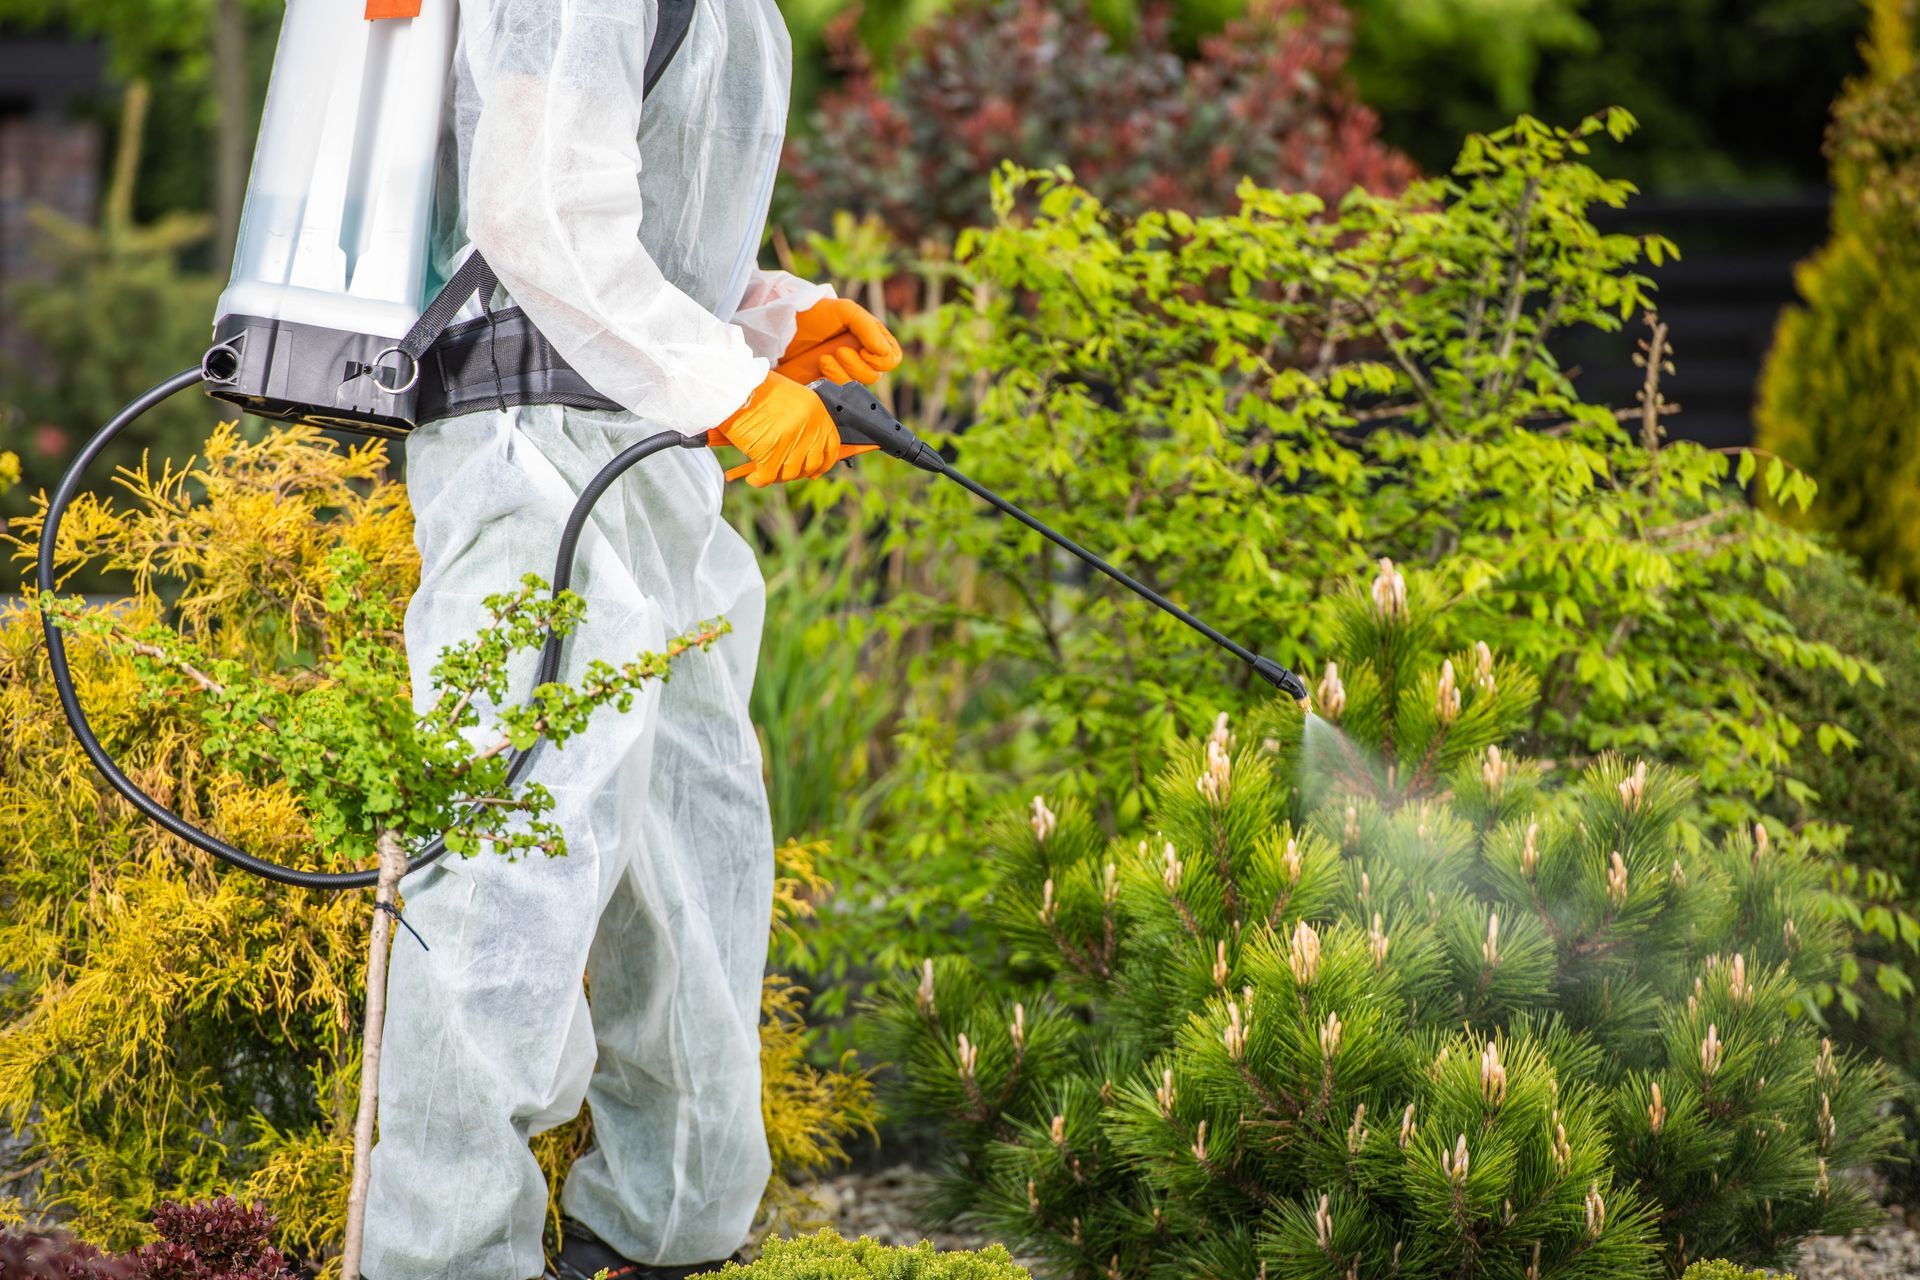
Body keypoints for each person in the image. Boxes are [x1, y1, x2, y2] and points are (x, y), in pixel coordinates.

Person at [359, 2, 900, 1277]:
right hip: (525, 456)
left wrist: (764, 318)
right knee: (518, 854)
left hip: (645, 458)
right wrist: (726, 385)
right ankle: (444, 1256)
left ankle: (671, 1230)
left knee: (696, 833)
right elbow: (532, 213)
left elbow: (622, 206)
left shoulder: (741, 11)